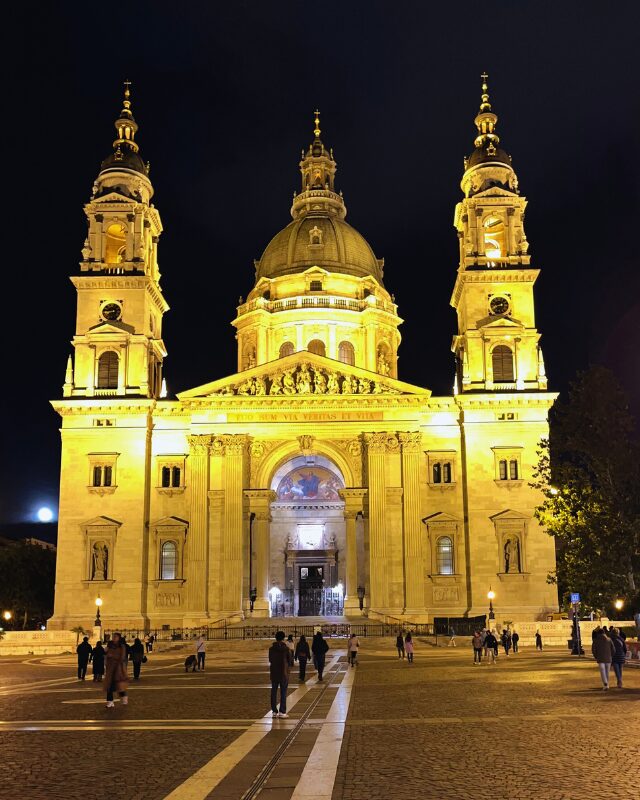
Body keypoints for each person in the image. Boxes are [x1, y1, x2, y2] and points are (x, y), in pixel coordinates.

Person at [269, 631, 293, 718]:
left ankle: (274, 711)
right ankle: (282, 712)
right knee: (283, 692)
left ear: (276, 638)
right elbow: (290, 661)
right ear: (283, 638)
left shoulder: (271, 649)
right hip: (284, 673)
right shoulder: (286, 649)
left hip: (274, 673)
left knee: (273, 692)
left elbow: (270, 660)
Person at [105, 632, 129, 708]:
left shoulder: (122, 646)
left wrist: (112, 655)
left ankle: (124, 696)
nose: (113, 638)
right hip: (110, 668)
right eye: (113, 637)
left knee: (119, 685)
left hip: (118, 668)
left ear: (119, 638)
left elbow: (122, 657)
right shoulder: (110, 645)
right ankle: (110, 702)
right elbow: (106, 654)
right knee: (109, 686)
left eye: (115, 637)